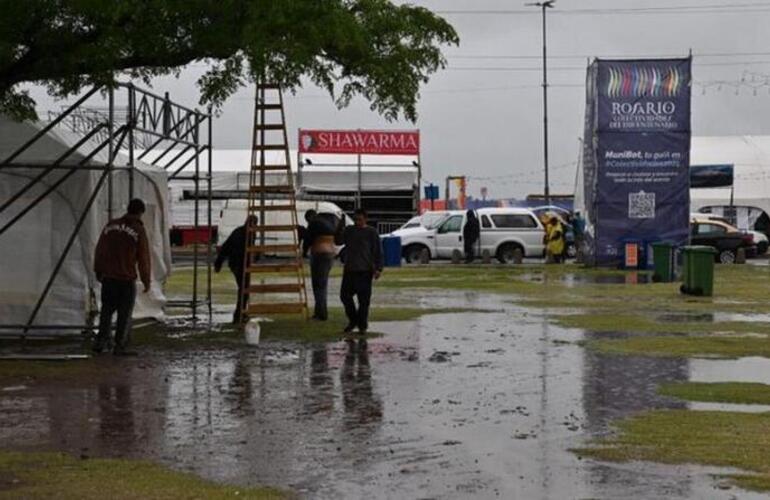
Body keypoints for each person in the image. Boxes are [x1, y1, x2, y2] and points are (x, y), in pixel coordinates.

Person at [93, 198, 151, 355]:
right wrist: (146, 280)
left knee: (106, 311)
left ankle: (100, 341)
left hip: (109, 277)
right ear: (140, 212)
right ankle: (120, 346)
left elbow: (100, 249)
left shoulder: (110, 225)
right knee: (124, 314)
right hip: (126, 279)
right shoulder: (138, 229)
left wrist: (98, 270)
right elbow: (143, 257)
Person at [335, 208, 383, 334]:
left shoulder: (371, 232)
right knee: (345, 296)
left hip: (365, 270)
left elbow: (377, 251)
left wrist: (378, 268)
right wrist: (340, 225)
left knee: (363, 301)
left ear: (365, 219)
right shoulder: (349, 231)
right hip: (350, 269)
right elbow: (338, 240)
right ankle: (353, 320)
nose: (357, 222)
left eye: (360, 220)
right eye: (355, 220)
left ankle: (362, 325)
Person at [215, 215, 258, 323]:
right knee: (244, 288)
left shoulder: (241, 232)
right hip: (239, 263)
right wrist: (218, 263)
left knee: (244, 289)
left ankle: (240, 313)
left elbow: (226, 246)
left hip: (239, 263)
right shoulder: (245, 233)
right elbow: (227, 247)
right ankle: (239, 314)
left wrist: (219, 263)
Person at [303, 209, 337, 321]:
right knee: (323, 285)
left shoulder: (314, 223)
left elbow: (307, 239)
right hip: (330, 253)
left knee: (318, 285)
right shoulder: (330, 221)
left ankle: (321, 314)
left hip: (319, 254)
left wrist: (304, 252)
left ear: (309, 217)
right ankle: (321, 312)